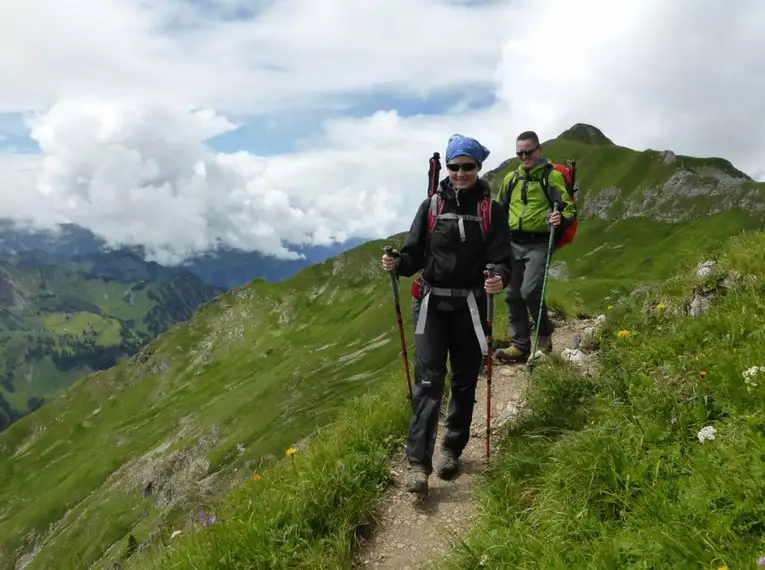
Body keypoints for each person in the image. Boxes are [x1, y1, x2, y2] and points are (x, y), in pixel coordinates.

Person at [381, 134, 512, 495]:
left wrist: (499, 277)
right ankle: (418, 465)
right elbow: (414, 255)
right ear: (448, 169)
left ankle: (452, 448)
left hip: (470, 306)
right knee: (427, 383)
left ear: (478, 167)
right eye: (454, 167)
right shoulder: (432, 206)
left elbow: (503, 258)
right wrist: (397, 263)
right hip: (432, 305)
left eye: (467, 166)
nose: (459, 173)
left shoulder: (491, 210)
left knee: (465, 381)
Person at [494, 130, 576, 363]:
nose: (524, 157)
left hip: (539, 242)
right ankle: (519, 345)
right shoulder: (511, 179)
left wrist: (560, 217)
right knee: (511, 295)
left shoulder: (551, 177)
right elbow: (500, 209)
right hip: (513, 242)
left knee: (530, 291)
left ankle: (544, 339)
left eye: (528, 152)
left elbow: (569, 209)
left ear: (538, 150)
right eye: (519, 153)